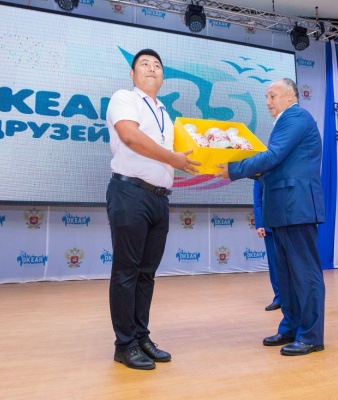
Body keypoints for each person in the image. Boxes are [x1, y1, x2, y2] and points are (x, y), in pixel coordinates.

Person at [216, 78, 326, 356]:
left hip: (297, 206)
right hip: (281, 207)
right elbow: (275, 165)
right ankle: (290, 327)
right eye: (266, 97)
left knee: (305, 273)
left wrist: (234, 169)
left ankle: (311, 336)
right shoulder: (285, 122)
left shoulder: (296, 117)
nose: (267, 102)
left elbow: (274, 156)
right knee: (286, 276)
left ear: (291, 96)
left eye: (272, 96)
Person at [105, 49, 200, 370]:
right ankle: (124, 344)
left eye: (157, 65)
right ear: (132, 74)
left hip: (159, 199)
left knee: (146, 274)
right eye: (144, 64)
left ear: (163, 77)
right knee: (126, 272)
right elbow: (130, 136)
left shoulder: (165, 113)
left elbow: (186, 153)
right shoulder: (124, 98)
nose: (151, 68)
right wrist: (173, 159)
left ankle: (141, 336)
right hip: (130, 193)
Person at [253, 179, 280, 311]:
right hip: (269, 225)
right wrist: (260, 224)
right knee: (274, 263)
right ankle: (279, 298)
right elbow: (257, 200)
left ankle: (294, 297)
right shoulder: (259, 173)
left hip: (288, 224)